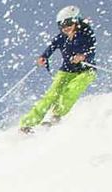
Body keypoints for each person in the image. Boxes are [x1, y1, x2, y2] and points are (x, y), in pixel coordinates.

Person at [19, 5, 97, 133]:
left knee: (72, 90)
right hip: (66, 71)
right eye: (62, 25)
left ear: (77, 21)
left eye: (69, 23)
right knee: (51, 95)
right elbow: (51, 47)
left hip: (86, 71)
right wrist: (44, 57)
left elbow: (92, 51)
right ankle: (27, 124)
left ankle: (56, 115)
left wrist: (83, 56)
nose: (66, 27)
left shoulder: (86, 34)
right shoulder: (62, 37)